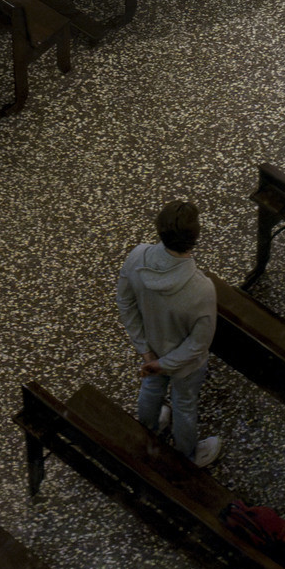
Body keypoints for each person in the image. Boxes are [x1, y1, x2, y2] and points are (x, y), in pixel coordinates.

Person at [115, 199, 221, 468]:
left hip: (152, 348)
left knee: (151, 387)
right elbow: (199, 343)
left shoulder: (137, 256)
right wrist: (165, 364)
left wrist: (148, 354)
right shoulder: (202, 288)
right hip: (185, 366)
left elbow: (125, 303)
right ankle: (186, 455)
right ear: (195, 238)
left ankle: (147, 431)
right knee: (184, 403)